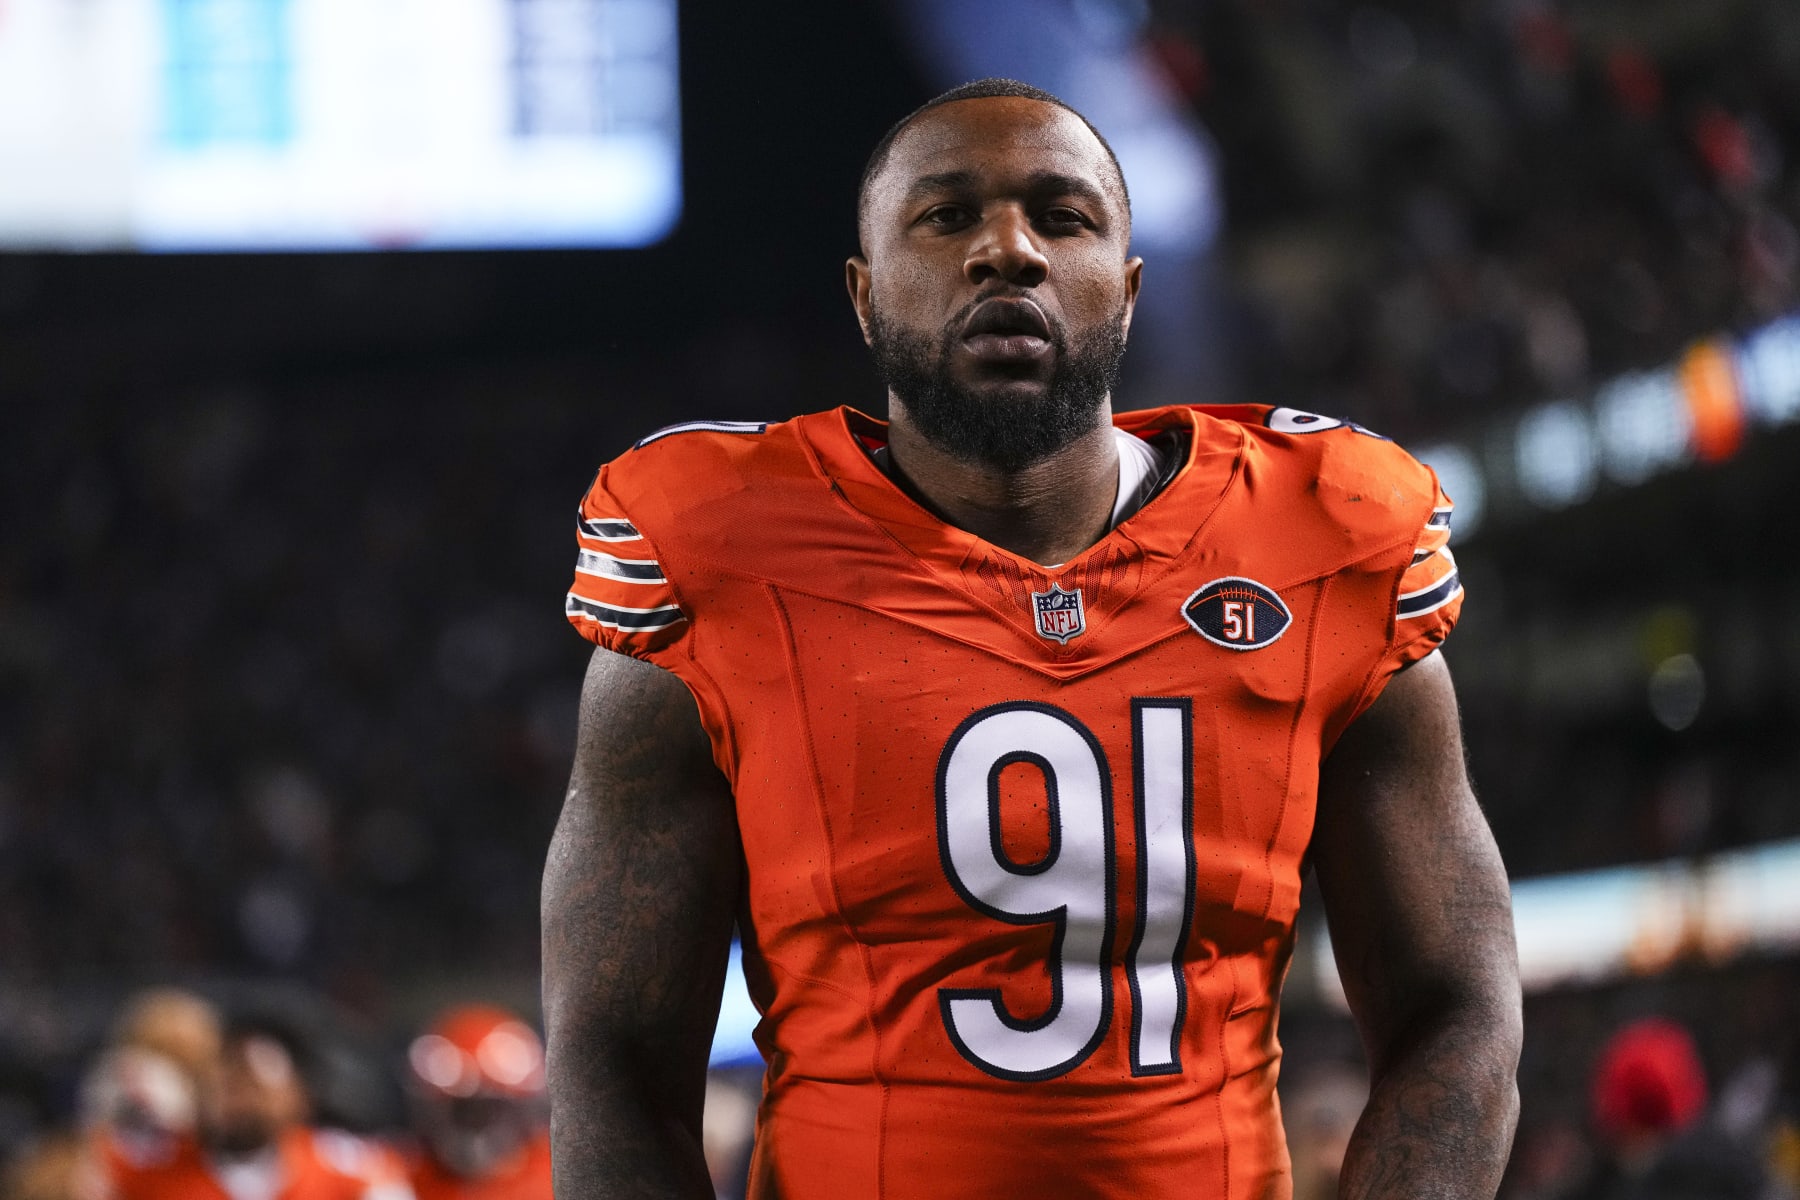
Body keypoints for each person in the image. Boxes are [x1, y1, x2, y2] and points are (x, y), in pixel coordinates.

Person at [542, 77, 1523, 1198]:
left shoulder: (1322, 535)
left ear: (1129, 288)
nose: (1007, 250)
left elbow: (1463, 1010)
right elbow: (611, 1063)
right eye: (947, 214)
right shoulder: (716, 552)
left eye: (1062, 216)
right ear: (864, 296)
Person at [103, 1014, 411, 1200]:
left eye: (250, 1085)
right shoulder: (144, 1169)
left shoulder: (351, 1171)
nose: (229, 1099)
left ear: (299, 1097)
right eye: (221, 1082)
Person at [403, 1006, 552, 1200]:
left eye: (490, 1110)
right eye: (463, 1111)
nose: (476, 1124)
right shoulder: (400, 1177)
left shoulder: (563, 1173)